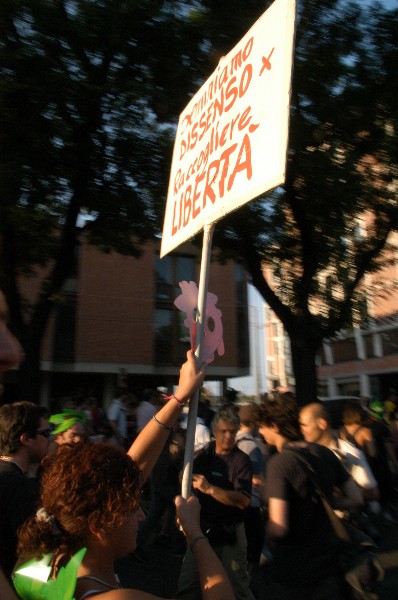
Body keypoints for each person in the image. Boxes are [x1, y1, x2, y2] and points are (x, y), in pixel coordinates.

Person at [14, 351, 235, 600]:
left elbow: (134, 467)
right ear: (98, 524)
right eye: (131, 508)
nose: (141, 515)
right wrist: (195, 534)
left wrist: (179, 397)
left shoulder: (58, 560)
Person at [254, 391, 363, 600]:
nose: (260, 432)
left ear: (275, 427)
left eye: (262, 426)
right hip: (329, 566)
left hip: (293, 573)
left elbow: (279, 527)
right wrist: (325, 503)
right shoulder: (324, 453)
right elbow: (356, 499)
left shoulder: (279, 463)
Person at [176, 407, 255, 600]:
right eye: (224, 431)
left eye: (233, 432)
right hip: (202, 530)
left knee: (237, 586)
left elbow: (243, 500)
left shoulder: (241, 461)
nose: (228, 436)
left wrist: (210, 488)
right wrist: (185, 478)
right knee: (187, 585)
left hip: (230, 533)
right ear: (214, 430)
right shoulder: (205, 454)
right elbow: (186, 476)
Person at [0, 401, 50, 580]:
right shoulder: (18, 486)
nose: (50, 439)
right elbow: (27, 548)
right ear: (26, 439)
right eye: (46, 433)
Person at [235, 403, 266, 572]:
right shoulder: (252, 446)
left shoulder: (231, 440)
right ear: (255, 422)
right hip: (251, 504)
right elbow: (257, 480)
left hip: (232, 500)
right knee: (253, 549)